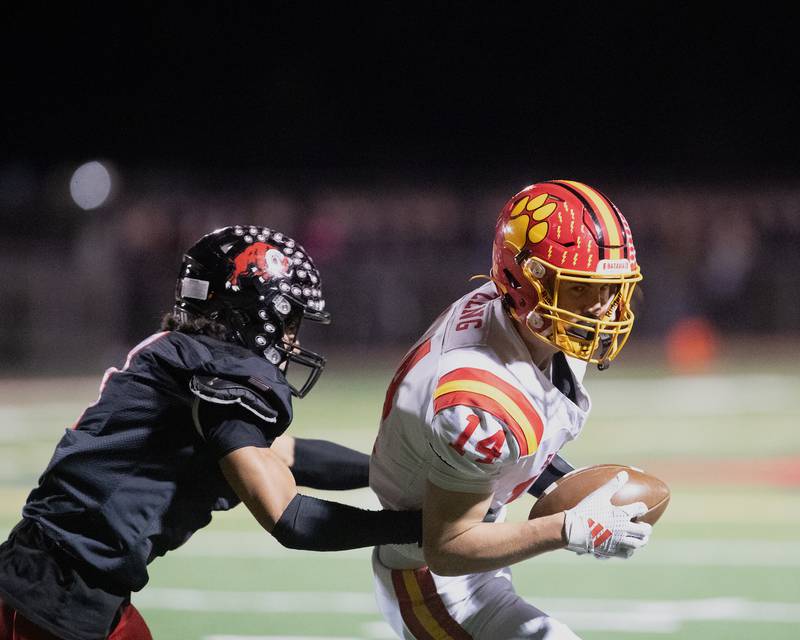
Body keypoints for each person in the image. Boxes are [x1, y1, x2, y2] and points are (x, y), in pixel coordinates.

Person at [0, 225, 422, 640]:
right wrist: (416, 527)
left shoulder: (183, 357)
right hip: (50, 599)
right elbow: (289, 519)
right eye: (290, 319)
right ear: (256, 311)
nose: (293, 341)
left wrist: (403, 472)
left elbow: (286, 455)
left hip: (65, 583)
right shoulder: (215, 378)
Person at [369, 180, 652, 639]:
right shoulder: (480, 403)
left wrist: (559, 481)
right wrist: (569, 528)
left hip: (465, 536)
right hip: (433, 582)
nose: (602, 308)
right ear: (526, 283)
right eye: (581, 289)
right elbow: (447, 546)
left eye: (610, 288)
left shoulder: (513, 316)